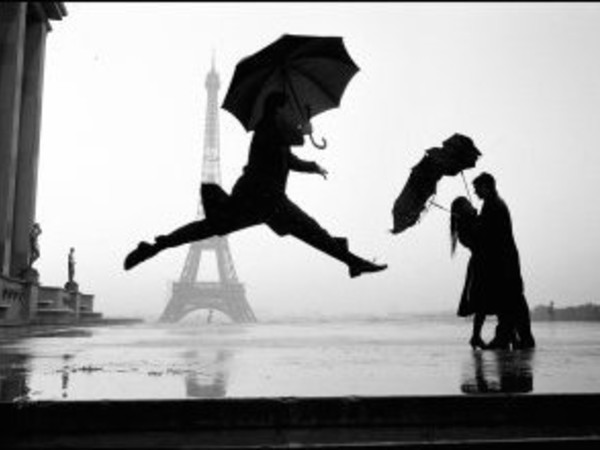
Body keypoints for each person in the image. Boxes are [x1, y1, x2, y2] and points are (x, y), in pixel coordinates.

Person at [124, 91, 387, 278]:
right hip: (261, 198)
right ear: (278, 109)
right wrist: (304, 132)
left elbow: (288, 159)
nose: (292, 114)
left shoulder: (277, 132)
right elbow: (292, 142)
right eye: (288, 109)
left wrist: (312, 167)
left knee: (209, 228)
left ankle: (156, 246)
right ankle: (353, 262)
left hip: (260, 200)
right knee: (312, 231)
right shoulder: (268, 128)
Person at [471, 172, 535, 350]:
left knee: (510, 301)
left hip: (503, 263)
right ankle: (516, 339)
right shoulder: (493, 204)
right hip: (506, 261)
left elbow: (487, 236)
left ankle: (508, 338)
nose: (475, 192)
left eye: (477, 188)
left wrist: (475, 222)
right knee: (512, 301)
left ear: (486, 186)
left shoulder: (493, 206)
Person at [450, 196, 490, 349]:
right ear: (461, 209)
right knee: (482, 303)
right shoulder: (463, 228)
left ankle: (476, 336)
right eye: (467, 204)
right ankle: (475, 336)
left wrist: (475, 217)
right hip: (480, 265)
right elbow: (477, 240)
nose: (470, 205)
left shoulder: (469, 222)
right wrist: (475, 218)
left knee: (485, 302)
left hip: (482, 263)